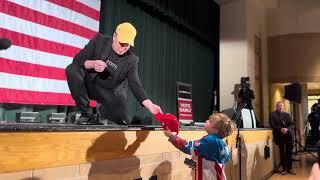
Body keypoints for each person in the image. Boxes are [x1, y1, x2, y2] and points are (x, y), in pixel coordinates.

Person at [65, 22, 162, 125]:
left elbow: (135, 84)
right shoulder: (99, 41)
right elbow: (77, 60)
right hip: (91, 85)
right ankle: (86, 112)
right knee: (72, 70)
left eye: (127, 45)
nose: (124, 48)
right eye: (122, 43)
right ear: (114, 36)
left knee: (125, 120)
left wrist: (150, 105)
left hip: (110, 93)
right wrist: (92, 64)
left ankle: (102, 112)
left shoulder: (131, 60)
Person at [163, 113, 234, 180]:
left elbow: (187, 147)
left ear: (215, 129)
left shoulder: (210, 140)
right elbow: (216, 160)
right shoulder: (221, 142)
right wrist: (198, 164)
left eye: (210, 121)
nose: (206, 121)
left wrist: (171, 136)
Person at [269, 101, 295, 175]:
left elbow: (292, 124)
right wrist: (281, 129)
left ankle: (290, 168)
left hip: (288, 136)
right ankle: (284, 169)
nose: (281, 107)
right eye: (279, 106)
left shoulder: (287, 114)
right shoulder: (272, 114)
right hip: (280, 136)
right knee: (282, 153)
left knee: (289, 152)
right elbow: (272, 125)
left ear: (283, 107)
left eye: (282, 106)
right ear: (276, 107)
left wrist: (287, 129)